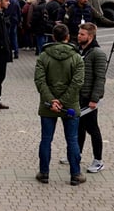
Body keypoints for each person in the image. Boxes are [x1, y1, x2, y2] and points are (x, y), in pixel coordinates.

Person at [34, 24, 85, 184]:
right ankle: (75, 174)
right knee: (72, 139)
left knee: (46, 139)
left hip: (48, 105)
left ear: (53, 37)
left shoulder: (43, 56)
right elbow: (78, 82)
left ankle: (44, 173)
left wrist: (52, 100)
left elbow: (39, 80)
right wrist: (63, 101)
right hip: (70, 105)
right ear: (67, 37)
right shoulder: (76, 57)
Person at [75, 22, 109, 173]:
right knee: (79, 128)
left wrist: (95, 99)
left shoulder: (97, 53)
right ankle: (77, 154)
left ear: (90, 36)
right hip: (78, 96)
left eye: (82, 34)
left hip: (89, 98)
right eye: (79, 33)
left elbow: (100, 77)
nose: (79, 36)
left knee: (92, 128)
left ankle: (98, 160)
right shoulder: (80, 51)